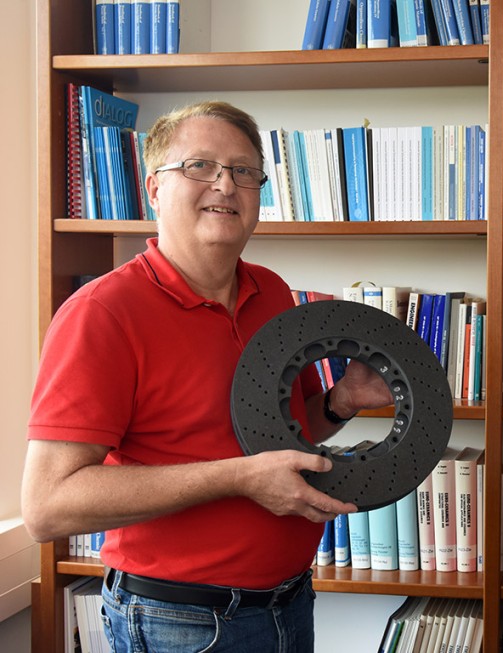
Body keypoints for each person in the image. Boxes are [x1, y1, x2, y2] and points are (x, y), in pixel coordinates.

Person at [22, 100, 393, 653]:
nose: (226, 184)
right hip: (181, 620)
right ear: (153, 187)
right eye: (200, 166)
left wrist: (340, 402)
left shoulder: (272, 291)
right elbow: (48, 506)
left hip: (291, 601)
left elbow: (284, 439)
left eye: (244, 172)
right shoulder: (101, 312)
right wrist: (238, 478)